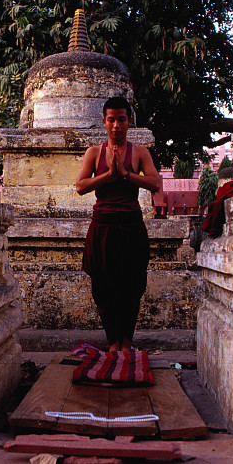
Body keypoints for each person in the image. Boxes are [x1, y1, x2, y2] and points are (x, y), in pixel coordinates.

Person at [76, 96, 161, 352]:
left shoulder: (140, 152)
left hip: (131, 226)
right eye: (111, 120)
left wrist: (125, 174)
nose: (116, 125)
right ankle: (113, 341)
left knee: (132, 286)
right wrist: (110, 175)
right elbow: (80, 186)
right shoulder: (94, 153)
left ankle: (127, 341)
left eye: (121, 119)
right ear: (104, 121)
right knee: (103, 287)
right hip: (102, 226)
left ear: (129, 121)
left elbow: (155, 183)